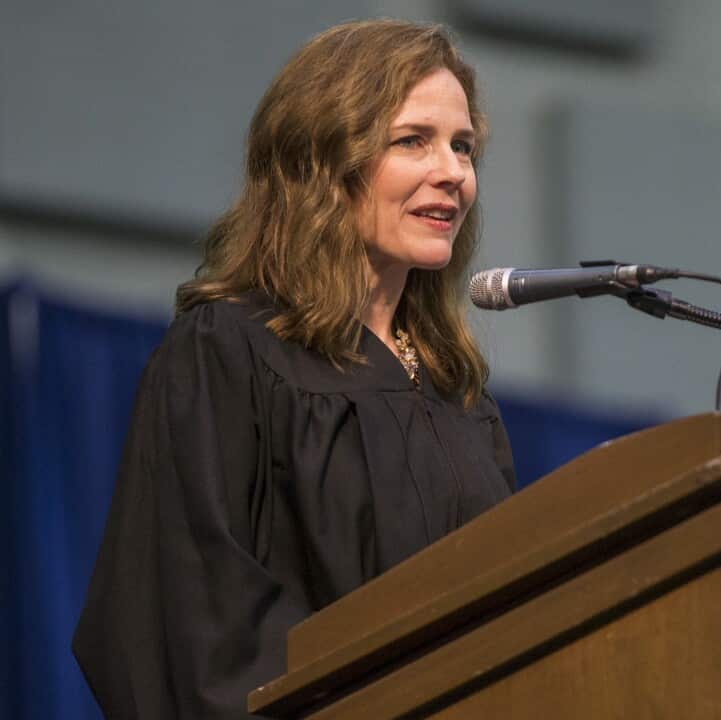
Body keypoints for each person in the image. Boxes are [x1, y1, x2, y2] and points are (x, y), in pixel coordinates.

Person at [72, 19, 516, 718]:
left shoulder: (456, 392)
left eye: (463, 147)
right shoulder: (229, 352)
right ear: (324, 161)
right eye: (413, 141)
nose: (453, 172)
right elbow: (194, 623)